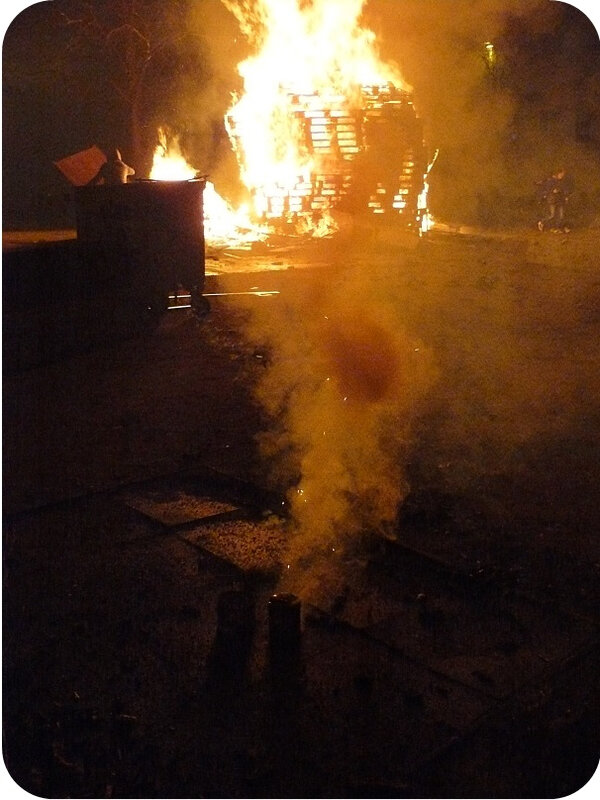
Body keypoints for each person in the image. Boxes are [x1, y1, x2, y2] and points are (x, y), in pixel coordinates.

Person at [537, 167, 573, 232]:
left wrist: (566, 196)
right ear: (557, 174)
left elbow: (563, 190)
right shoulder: (550, 180)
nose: (562, 176)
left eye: (563, 175)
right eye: (561, 174)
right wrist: (553, 191)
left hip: (560, 200)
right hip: (552, 200)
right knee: (552, 215)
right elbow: (547, 190)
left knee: (561, 216)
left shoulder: (561, 181)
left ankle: (558, 228)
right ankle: (542, 222)